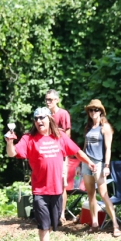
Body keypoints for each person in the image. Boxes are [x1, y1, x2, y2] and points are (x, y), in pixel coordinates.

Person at [4, 107, 97, 241]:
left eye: (42, 117)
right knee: (44, 225)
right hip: (40, 190)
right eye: (36, 118)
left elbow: (76, 151)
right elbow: (12, 154)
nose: (39, 121)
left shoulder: (59, 136)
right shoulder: (29, 138)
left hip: (57, 190)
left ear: (49, 119)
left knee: (53, 225)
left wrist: (88, 162)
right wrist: (10, 142)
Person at [79, 99, 121, 237]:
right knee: (90, 194)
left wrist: (106, 166)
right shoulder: (88, 127)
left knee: (104, 194)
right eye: (91, 110)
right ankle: (95, 223)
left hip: (99, 163)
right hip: (87, 163)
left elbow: (108, 148)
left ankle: (115, 225)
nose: (93, 112)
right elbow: (85, 147)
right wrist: (81, 163)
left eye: (96, 110)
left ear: (101, 112)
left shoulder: (105, 128)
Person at [46, 90, 72, 223]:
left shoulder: (63, 114)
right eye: (46, 99)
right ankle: (51, 213)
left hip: (60, 154)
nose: (48, 102)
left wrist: (63, 152)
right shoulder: (45, 115)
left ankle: (61, 214)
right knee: (49, 183)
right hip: (48, 154)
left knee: (62, 184)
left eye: (50, 99)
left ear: (57, 100)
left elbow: (67, 135)